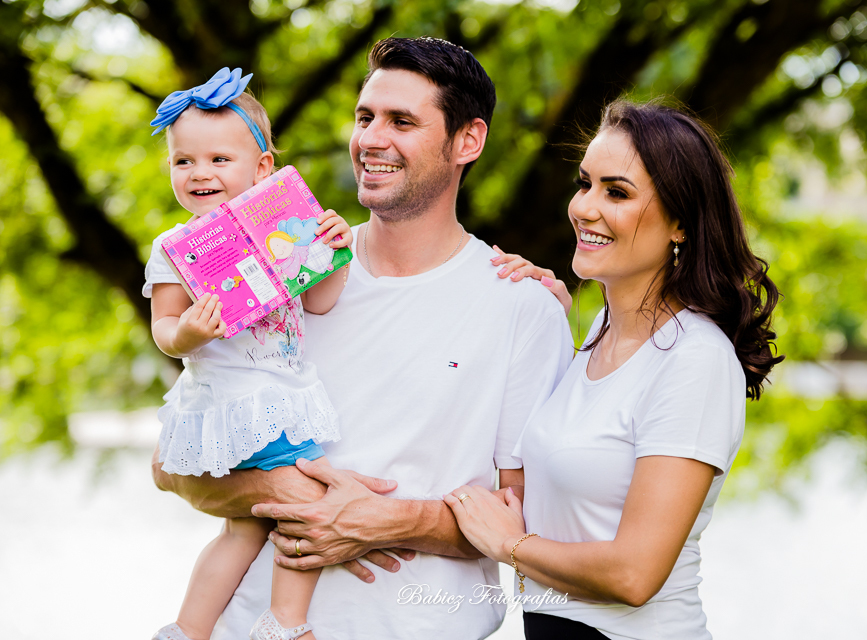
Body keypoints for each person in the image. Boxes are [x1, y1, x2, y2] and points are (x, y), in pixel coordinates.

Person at [151, 38, 574, 639]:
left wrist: (386, 521)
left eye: (402, 121)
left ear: (468, 141)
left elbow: (535, 525)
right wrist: (288, 493)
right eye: (364, 117)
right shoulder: (285, 267)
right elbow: (170, 465)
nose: (372, 139)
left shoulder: (523, 307)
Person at [444, 100, 784, 639]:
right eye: (586, 184)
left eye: (617, 192)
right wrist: (541, 319)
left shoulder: (695, 359)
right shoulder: (602, 327)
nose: (585, 207)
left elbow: (634, 574)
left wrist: (506, 545)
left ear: (680, 224)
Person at [143, 68, 353, 640]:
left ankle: (188, 629)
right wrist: (189, 333)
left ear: (263, 168)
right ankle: (285, 623)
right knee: (308, 502)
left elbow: (323, 301)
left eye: (218, 160)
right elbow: (163, 328)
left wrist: (334, 248)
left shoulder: (286, 225)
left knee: (242, 529)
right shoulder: (172, 247)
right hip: (236, 397)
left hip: (279, 390)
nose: (199, 173)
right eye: (183, 161)